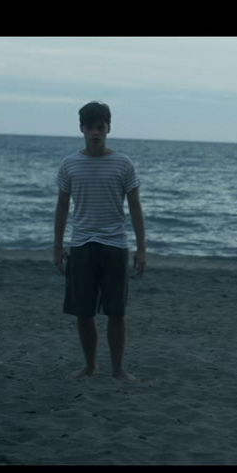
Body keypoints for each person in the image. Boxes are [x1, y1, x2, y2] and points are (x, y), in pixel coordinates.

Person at [53, 101, 146, 383]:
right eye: (90, 127)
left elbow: (135, 206)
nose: (95, 132)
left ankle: (118, 369)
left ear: (108, 129)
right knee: (83, 311)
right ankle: (90, 366)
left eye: (100, 127)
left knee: (116, 311)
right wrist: (58, 246)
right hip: (82, 244)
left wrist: (141, 248)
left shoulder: (123, 163)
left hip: (115, 245)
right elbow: (62, 206)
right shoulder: (70, 164)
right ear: (82, 129)